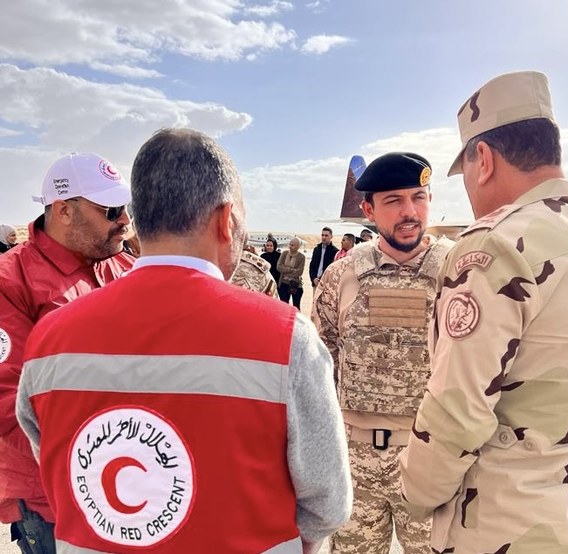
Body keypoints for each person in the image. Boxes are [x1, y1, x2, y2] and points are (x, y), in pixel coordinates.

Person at [16, 129, 351, 553]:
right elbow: (328, 505)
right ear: (225, 219)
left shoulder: (48, 339)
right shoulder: (286, 337)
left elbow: (57, 468)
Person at [399, 71, 568, 553]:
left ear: (482, 159)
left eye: (464, 170)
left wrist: (414, 495)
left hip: (504, 525)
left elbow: (457, 410)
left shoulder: (495, 246)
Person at [313, 152, 453, 553]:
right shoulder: (341, 276)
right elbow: (322, 367)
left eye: (419, 197)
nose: (409, 211)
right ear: (369, 209)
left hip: (433, 460)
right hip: (355, 463)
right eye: (393, 201)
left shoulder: (460, 272)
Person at [0, 152, 134, 554]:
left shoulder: (122, 267)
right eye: (111, 210)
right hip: (54, 501)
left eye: (126, 207)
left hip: (130, 484)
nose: (125, 220)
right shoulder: (12, 281)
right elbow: (9, 406)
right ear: (63, 211)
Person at [277, 237, 306, 309]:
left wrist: (285, 270)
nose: (290, 246)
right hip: (283, 283)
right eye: (290, 244)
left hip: (295, 284)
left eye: (292, 245)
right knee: (283, 306)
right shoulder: (284, 253)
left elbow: (299, 272)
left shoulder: (301, 257)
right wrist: (292, 270)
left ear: (298, 247)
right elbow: (279, 267)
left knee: (296, 307)